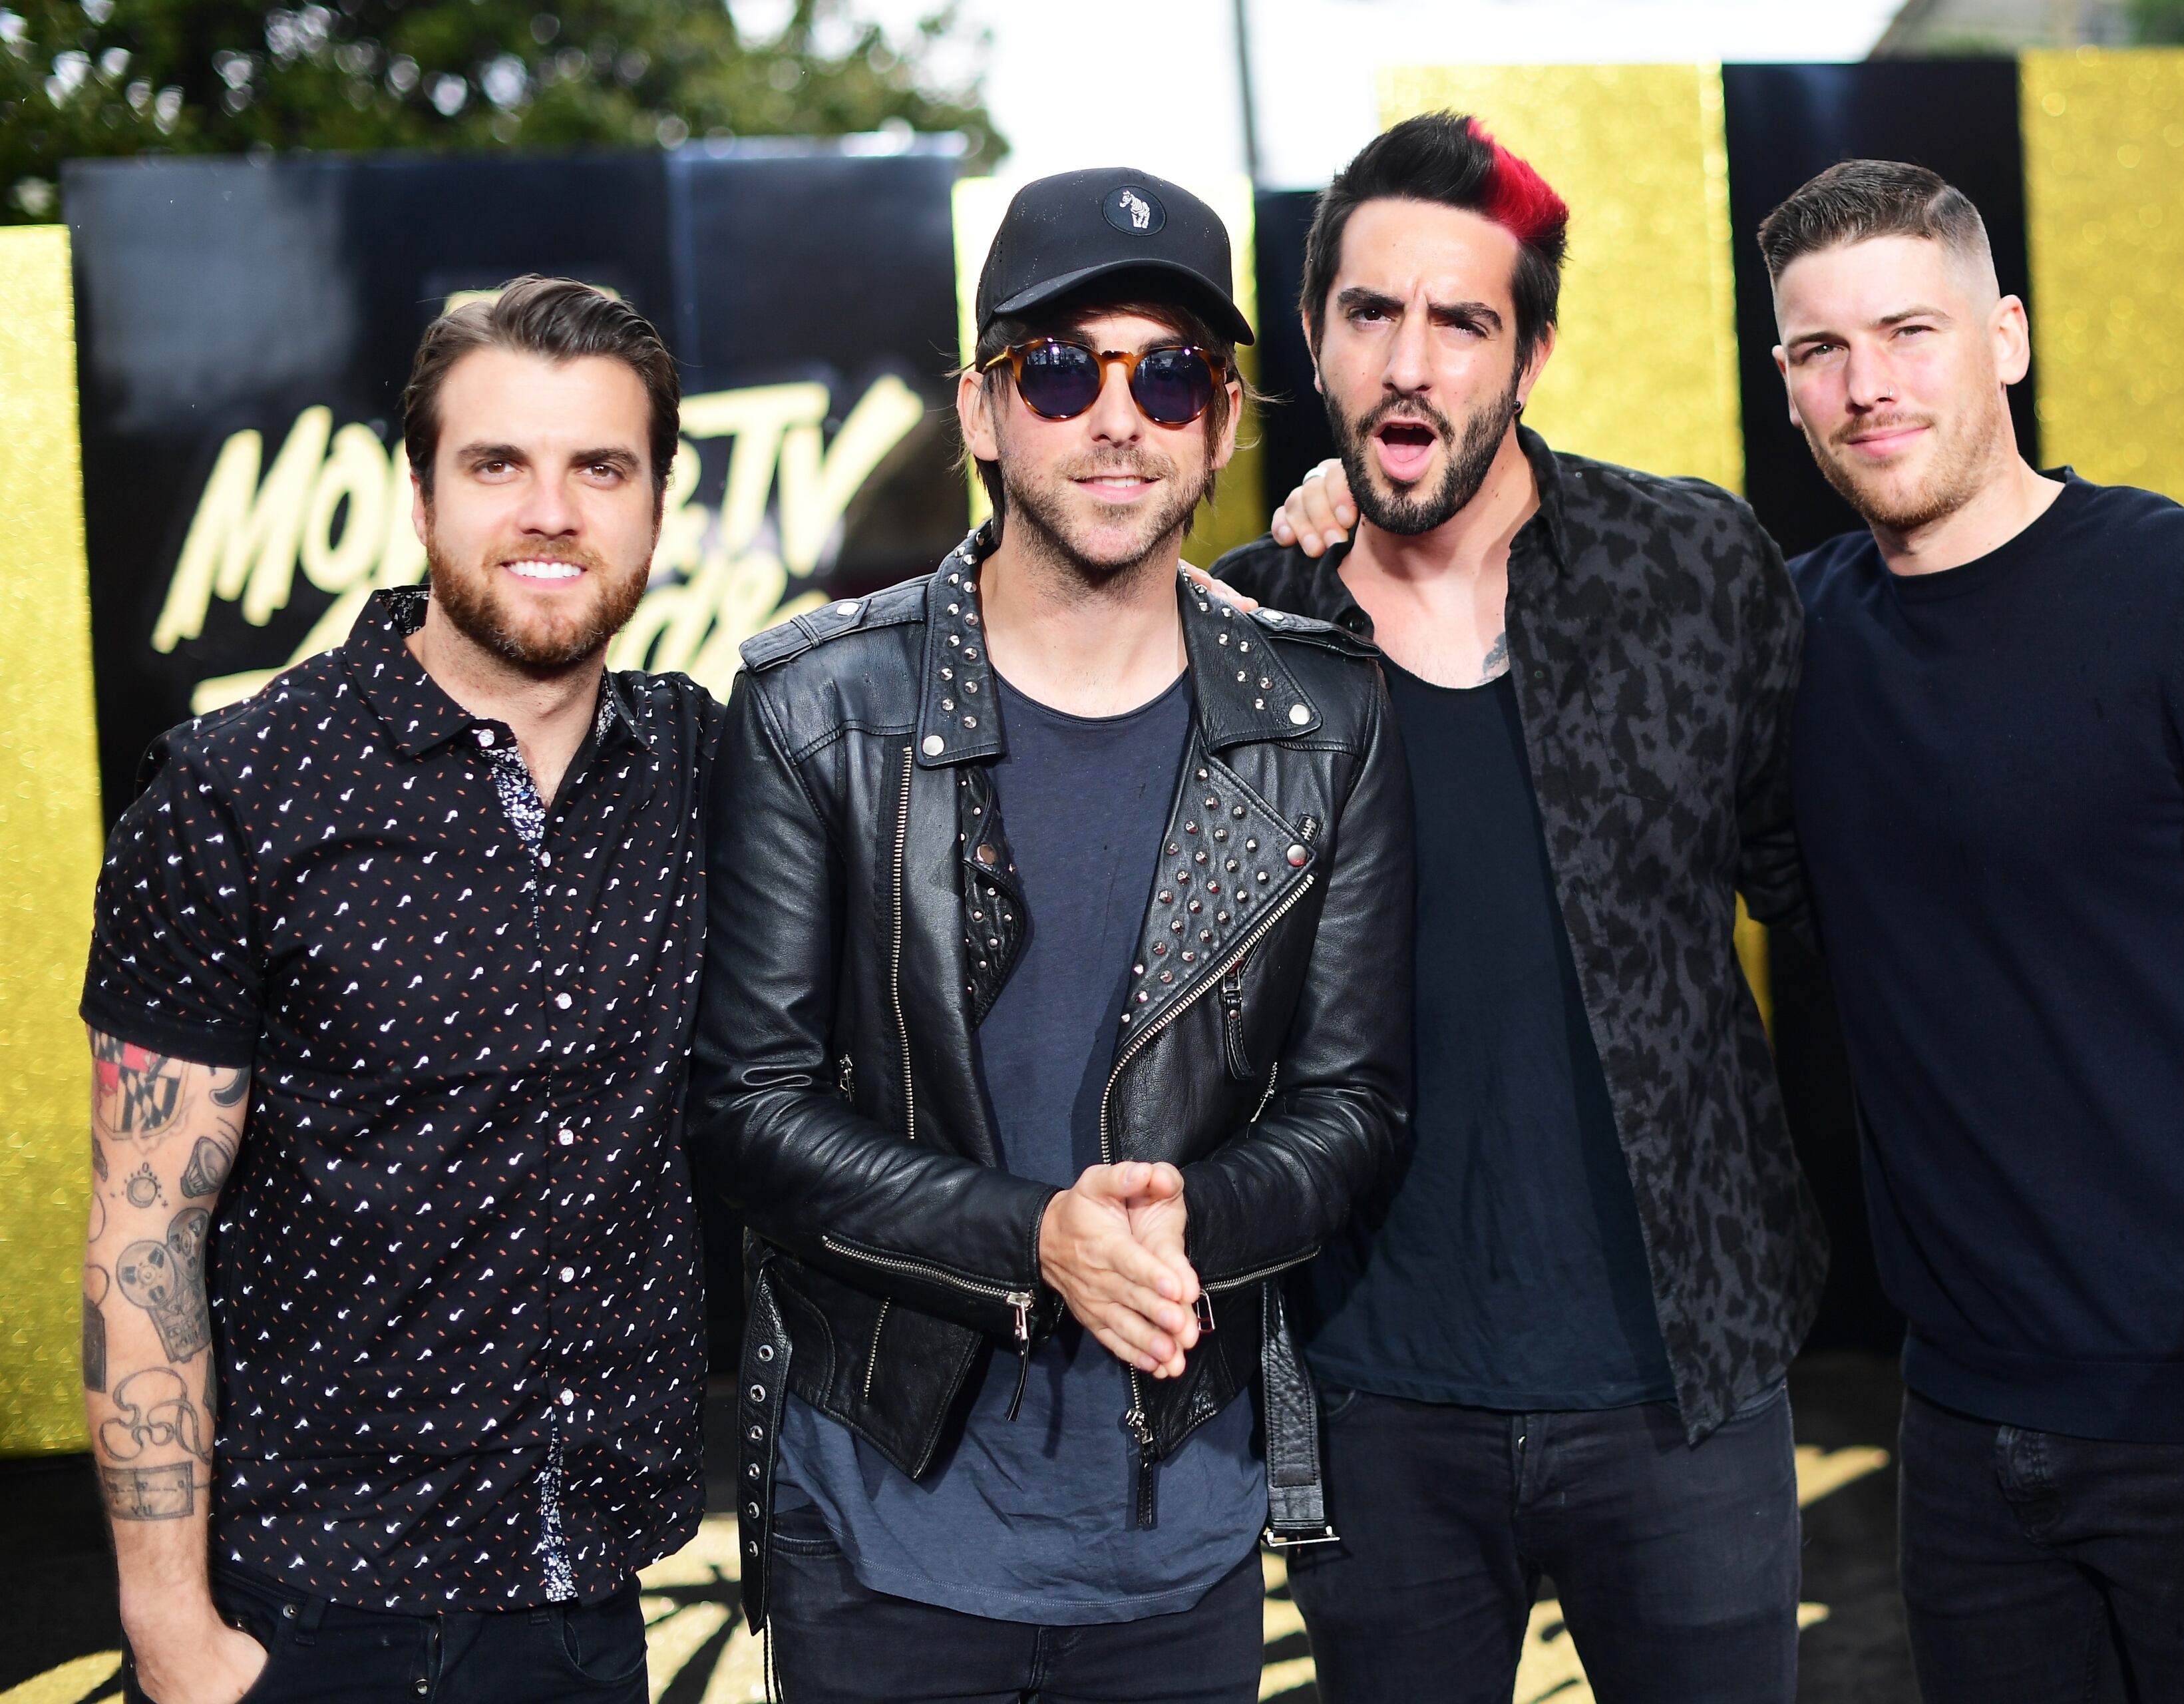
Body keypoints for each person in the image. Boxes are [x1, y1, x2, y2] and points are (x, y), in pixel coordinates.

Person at [1273, 156, 2184, 1704]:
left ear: (2007, 336)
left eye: (1910, 331)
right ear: (1784, 381)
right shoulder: (1781, 624)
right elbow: (1544, 551)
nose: (1867, 385)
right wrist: (1365, 481)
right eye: (1822, 350)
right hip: (1959, 1432)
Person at [684, 166, 1413, 1704]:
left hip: (1180, 1529)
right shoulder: (819, 704)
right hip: (879, 1522)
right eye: (1062, 369)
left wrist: (1184, 1219)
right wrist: (1037, 1238)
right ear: (980, 409)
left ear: (1221, 422)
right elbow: (743, 1112)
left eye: (1167, 375)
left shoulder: (1321, 714)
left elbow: (1354, 1108)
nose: (1115, 418)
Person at [1212, 112, 1821, 1704]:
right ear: (1316, 337)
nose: (1410, 363)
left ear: (1530, 352)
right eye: (1371, 314)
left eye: (1461, 321)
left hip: (1680, 1382)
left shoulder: (1693, 565)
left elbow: (1819, 881)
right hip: (1368, 1400)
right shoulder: (1239, 638)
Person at [81, 276, 718, 1704]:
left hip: (601, 1602)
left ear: (658, 502)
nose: (550, 510)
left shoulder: (705, 766)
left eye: (598, 466)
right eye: (498, 463)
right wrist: (176, 1639)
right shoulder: (235, 794)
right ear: (418, 493)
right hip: (315, 1613)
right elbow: (141, 1247)